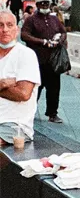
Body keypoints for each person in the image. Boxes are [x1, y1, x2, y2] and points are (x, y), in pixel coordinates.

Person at [20, 0, 67, 124]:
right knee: (35, 87)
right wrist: (42, 42)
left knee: (54, 88)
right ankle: (29, 111)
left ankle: (53, 113)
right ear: (37, 5)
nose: (45, 6)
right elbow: (24, 35)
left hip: (52, 60)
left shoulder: (54, 19)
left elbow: (63, 32)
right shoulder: (31, 20)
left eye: (47, 3)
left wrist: (59, 41)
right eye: (42, 4)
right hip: (37, 60)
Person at [0, 10, 41, 144]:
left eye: (9, 25)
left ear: (17, 30)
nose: (5, 30)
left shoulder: (25, 55)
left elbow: (23, 94)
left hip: (14, 125)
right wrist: (4, 84)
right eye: (0, 25)